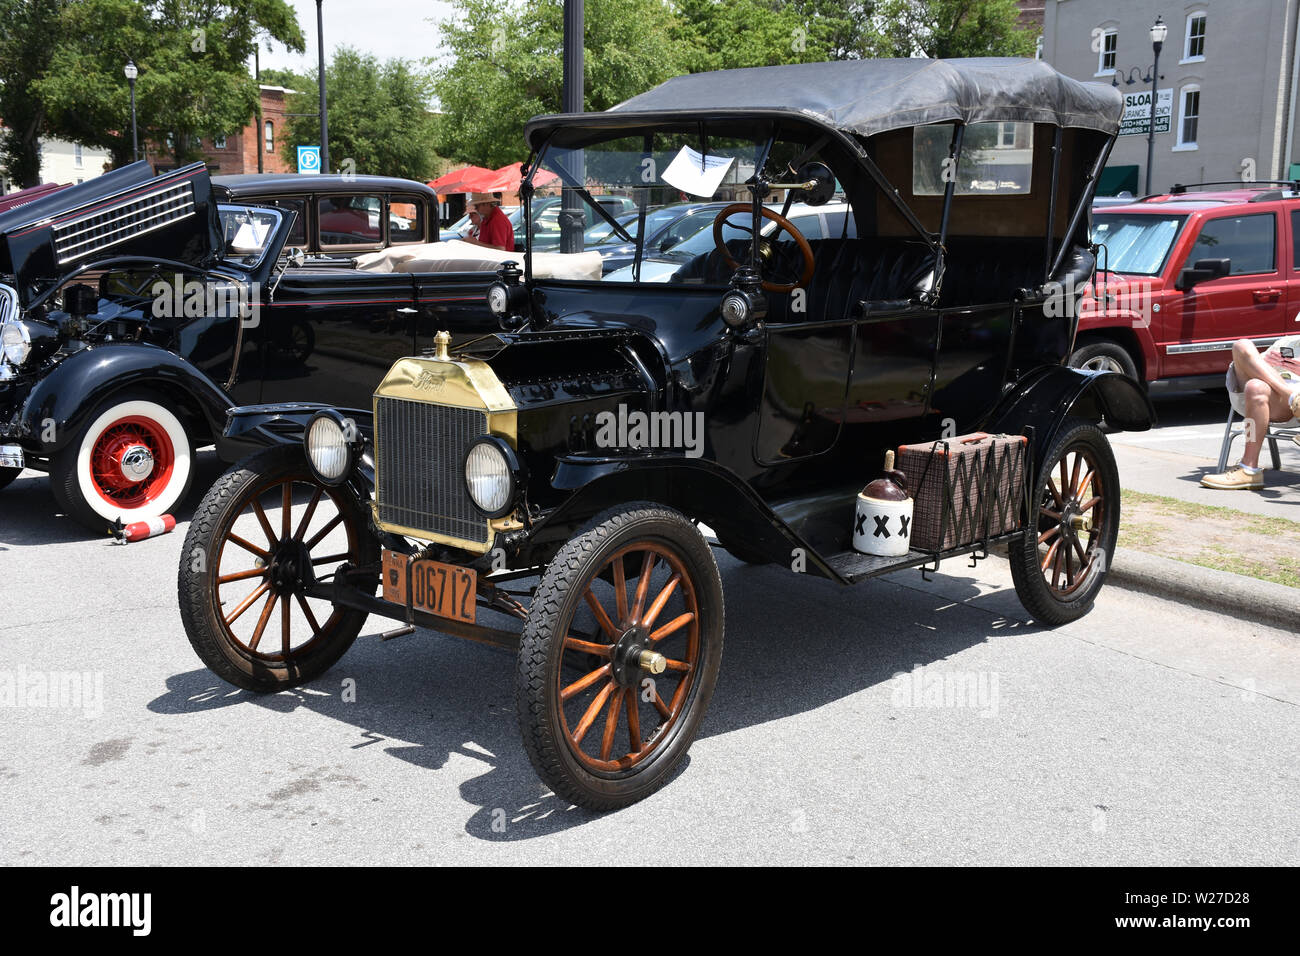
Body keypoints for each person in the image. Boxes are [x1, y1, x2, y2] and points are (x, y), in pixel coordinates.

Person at [1200, 335, 1300, 489]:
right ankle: (1249, 471)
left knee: (1255, 386)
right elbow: (1248, 363)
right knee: (1243, 347)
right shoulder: (1287, 342)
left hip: (1289, 411)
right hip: (1277, 398)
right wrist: (1265, 362)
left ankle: (1248, 468)